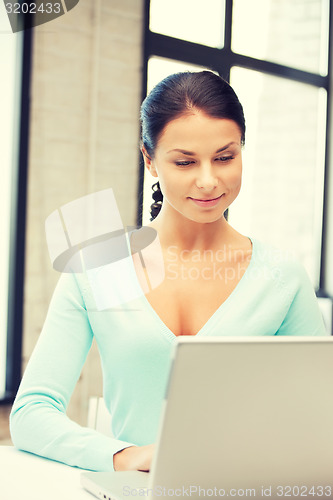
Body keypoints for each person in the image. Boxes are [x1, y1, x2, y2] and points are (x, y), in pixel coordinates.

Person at [10, 71, 327, 473]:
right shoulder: (96, 269)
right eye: (185, 162)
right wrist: (124, 456)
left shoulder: (281, 277)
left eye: (225, 157)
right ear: (150, 159)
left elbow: (318, 414)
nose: (209, 180)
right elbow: (32, 413)